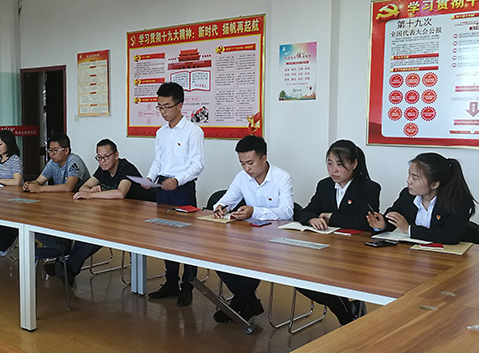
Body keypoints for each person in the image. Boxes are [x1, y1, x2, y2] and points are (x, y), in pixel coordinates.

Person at [296, 139, 381, 325]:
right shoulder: (324, 185)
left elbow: (364, 223)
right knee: (300, 280)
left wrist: (331, 217)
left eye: (340, 165)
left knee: (329, 282)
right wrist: (312, 219)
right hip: (325, 251)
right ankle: (348, 313)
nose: (333, 170)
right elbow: (306, 211)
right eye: (329, 163)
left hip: (355, 253)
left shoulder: (369, 188)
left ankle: (347, 316)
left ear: (354, 163)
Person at [211, 135, 293, 322]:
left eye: (250, 163)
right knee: (218, 260)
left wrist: (254, 211)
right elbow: (226, 200)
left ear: (263, 158)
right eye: (242, 163)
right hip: (248, 238)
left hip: (275, 241)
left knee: (254, 264)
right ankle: (250, 302)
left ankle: (236, 305)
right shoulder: (241, 178)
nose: (246, 168)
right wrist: (220, 208)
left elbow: (287, 212)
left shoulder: (282, 178)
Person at [52, 139, 150, 286]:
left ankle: (68, 266)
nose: (102, 161)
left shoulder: (126, 167)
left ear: (116, 155)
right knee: (91, 229)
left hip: (140, 216)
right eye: (99, 157)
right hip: (118, 214)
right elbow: (83, 187)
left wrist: (92, 195)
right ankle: (69, 267)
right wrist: (91, 190)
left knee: (100, 231)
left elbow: (120, 193)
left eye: (106, 157)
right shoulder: (103, 169)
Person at [144, 82, 205, 307]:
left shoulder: (193, 131)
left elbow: (197, 165)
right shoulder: (161, 133)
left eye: (167, 106)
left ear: (180, 105)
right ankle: (170, 282)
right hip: (163, 187)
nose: (163, 111)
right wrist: (150, 178)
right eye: (159, 107)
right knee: (166, 236)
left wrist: (178, 180)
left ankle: (187, 286)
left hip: (182, 189)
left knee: (186, 239)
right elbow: (158, 161)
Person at [368, 152, 476, 245]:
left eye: (414, 178)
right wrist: (382, 225)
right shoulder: (407, 195)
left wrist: (409, 229)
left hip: (450, 257)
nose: (408, 181)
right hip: (414, 254)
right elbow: (394, 218)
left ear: (434, 184)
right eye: (409, 175)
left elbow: (451, 236)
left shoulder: (458, 201)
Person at [23, 133, 91, 259]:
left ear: (66, 150)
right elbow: (39, 181)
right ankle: (60, 248)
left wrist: (40, 189)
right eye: (50, 150)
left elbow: (68, 187)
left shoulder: (74, 161)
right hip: (62, 205)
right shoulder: (52, 163)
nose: (51, 154)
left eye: (55, 150)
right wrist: (30, 184)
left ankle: (62, 249)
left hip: (81, 208)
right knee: (34, 221)